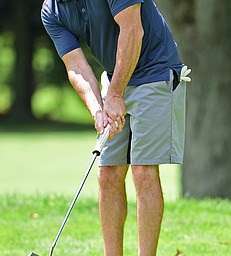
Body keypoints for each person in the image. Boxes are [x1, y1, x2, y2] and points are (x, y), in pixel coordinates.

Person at [41, 0, 190, 255]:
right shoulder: (51, 11)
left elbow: (133, 29)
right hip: (115, 77)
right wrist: (97, 110)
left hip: (154, 70)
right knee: (108, 173)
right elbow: (75, 65)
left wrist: (115, 95)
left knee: (143, 170)